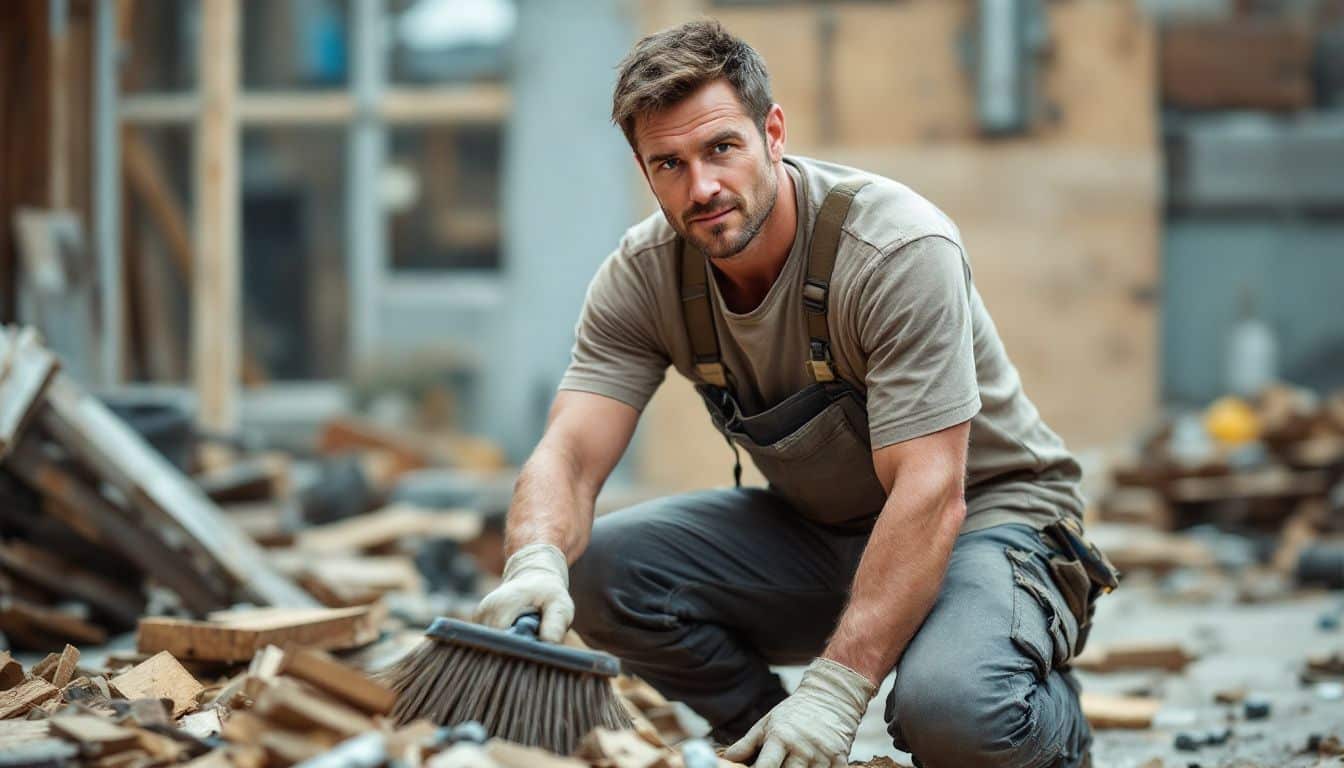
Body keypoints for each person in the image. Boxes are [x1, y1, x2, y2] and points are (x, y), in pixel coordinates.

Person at [474, 19, 1116, 768]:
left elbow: (932, 489)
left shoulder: (893, 251)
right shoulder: (644, 275)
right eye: (669, 163)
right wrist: (535, 562)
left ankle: (1043, 720)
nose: (702, 186)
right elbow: (572, 454)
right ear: (644, 172)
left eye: (721, 148)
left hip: (988, 522)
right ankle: (769, 740)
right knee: (599, 571)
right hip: (825, 533)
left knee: (954, 710)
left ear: (772, 131)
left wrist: (837, 691)